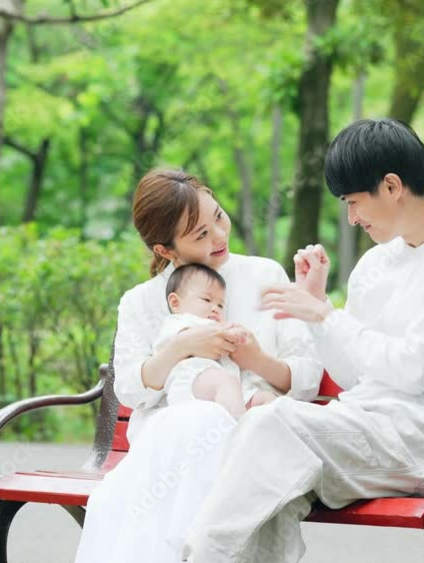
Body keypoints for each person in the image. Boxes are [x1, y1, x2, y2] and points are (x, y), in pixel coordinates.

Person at [183, 118, 424, 562]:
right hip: (355, 428)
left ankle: (195, 555)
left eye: (354, 202)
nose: (353, 218)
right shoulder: (375, 264)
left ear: (392, 186)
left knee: (270, 424)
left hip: (417, 445)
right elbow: (354, 377)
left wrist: (325, 316)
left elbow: (416, 371)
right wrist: (319, 309)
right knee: (271, 491)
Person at [73, 169, 323, 563]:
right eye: (201, 234)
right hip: (170, 444)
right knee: (199, 424)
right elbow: (132, 390)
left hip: (254, 437)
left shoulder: (265, 276)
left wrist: (255, 360)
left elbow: (307, 377)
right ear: (165, 249)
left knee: (218, 432)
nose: (219, 237)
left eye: (219, 217)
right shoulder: (142, 301)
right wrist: (180, 347)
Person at [155, 263, 278, 419]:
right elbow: (179, 339)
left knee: (263, 397)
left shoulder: (218, 326)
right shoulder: (179, 322)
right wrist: (228, 333)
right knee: (226, 382)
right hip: (192, 382)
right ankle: (241, 430)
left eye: (220, 305)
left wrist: (240, 339)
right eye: (207, 299)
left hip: (231, 388)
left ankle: (267, 426)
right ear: (175, 303)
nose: (215, 308)